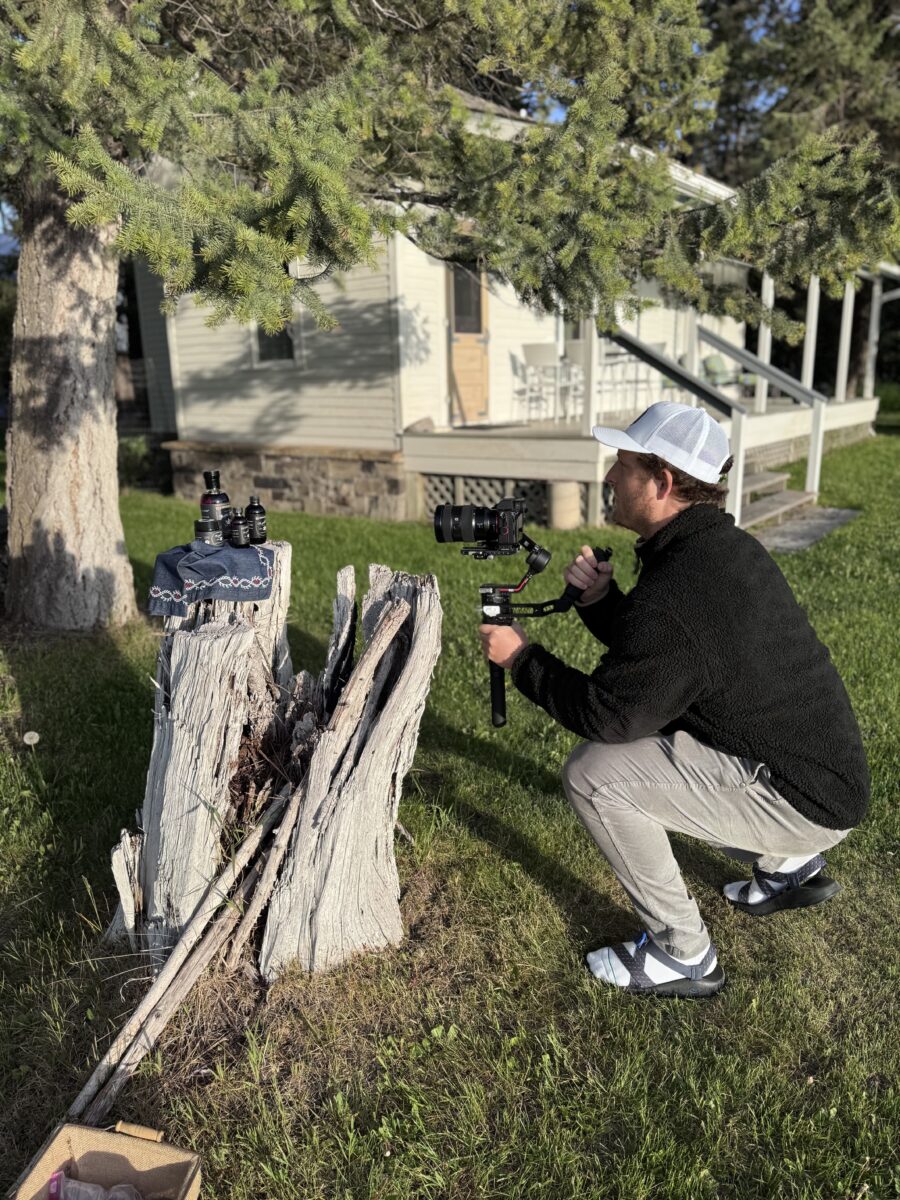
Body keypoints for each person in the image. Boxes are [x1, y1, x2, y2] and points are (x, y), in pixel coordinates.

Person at [479, 400, 869, 998]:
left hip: (803, 800)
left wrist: (520, 658)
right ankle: (791, 868)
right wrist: (600, 604)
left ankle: (683, 954)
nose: (609, 476)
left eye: (623, 464)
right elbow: (672, 664)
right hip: (824, 780)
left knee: (596, 775)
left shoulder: (682, 588)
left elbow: (610, 715)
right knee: (638, 751)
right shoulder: (718, 552)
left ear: (661, 482)